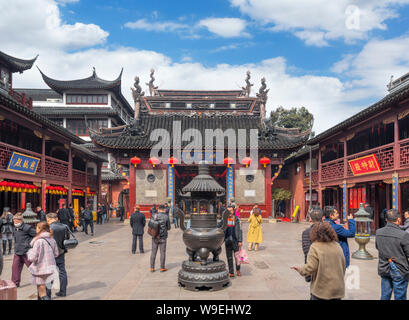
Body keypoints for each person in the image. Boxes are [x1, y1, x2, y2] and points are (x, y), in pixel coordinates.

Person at [291, 222, 346, 300]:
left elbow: (310, 268)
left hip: (322, 291)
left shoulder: (315, 247)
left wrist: (300, 269)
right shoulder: (337, 246)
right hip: (338, 290)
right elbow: (343, 266)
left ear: (315, 233)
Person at [376, 209, 409, 300]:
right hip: (399, 268)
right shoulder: (403, 235)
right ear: (398, 220)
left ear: (386, 220)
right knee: (400, 297)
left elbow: (378, 247)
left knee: (385, 296)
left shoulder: (379, 232)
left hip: (384, 266)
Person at [27, 221, 59, 300]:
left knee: (42, 291)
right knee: (47, 288)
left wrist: (29, 252)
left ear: (40, 229)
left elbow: (32, 258)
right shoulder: (52, 239)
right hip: (50, 267)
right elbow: (56, 254)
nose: (35, 229)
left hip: (40, 268)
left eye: (37, 227)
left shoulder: (38, 241)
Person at [46, 212, 70, 298]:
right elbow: (67, 238)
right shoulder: (64, 226)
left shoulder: (48, 228)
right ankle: (63, 291)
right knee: (62, 271)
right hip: (61, 251)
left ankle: (48, 295)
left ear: (48, 219)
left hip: (50, 253)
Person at [11, 213, 36, 287]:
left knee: (33, 268)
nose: (15, 222)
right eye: (14, 221)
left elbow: (36, 235)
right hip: (17, 251)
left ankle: (41, 280)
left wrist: (28, 244)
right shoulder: (14, 228)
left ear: (21, 220)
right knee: (15, 268)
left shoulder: (27, 228)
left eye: (16, 221)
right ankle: (15, 284)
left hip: (26, 252)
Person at [218, 205, 242, 278]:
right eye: (228, 211)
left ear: (233, 211)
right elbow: (218, 226)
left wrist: (240, 240)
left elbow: (239, 230)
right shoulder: (223, 220)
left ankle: (238, 270)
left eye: (231, 210)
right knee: (229, 257)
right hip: (227, 240)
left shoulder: (236, 219)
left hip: (235, 241)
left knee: (237, 257)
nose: (230, 212)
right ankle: (231, 272)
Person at [301, 207, 324, 282]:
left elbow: (307, 251)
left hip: (312, 266)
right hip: (327, 266)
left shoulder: (307, 233)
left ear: (310, 219)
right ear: (322, 218)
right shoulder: (328, 231)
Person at [150, 204, 171, 272]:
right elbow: (169, 228)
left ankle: (152, 267)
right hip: (163, 237)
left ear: (158, 209)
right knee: (162, 252)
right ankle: (162, 267)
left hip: (155, 236)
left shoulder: (154, 215)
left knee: (153, 252)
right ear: (164, 210)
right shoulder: (166, 217)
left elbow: (150, 225)